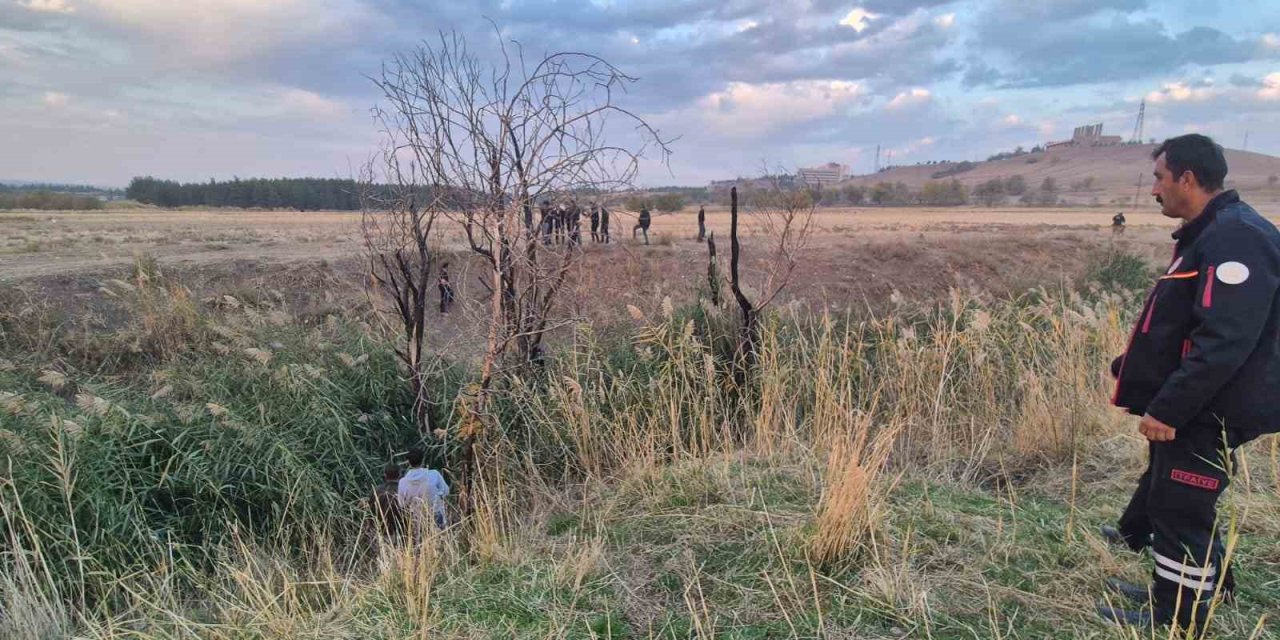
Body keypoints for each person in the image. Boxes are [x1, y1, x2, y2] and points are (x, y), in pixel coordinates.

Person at [1101, 134, 1280, 634]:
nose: (1154, 190)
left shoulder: (1234, 239)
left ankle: (1176, 617)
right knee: (1183, 497)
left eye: (1160, 178)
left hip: (1211, 406)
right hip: (1204, 400)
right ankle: (1202, 585)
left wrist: (1171, 407)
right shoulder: (1211, 233)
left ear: (1187, 178)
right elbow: (1187, 326)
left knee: (1180, 504)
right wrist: (1135, 367)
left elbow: (1224, 341)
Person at [398, 447, 450, 530]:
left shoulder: (403, 482)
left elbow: (402, 504)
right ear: (423, 460)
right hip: (436, 514)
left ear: (409, 462)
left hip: (416, 518)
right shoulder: (434, 475)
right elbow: (446, 491)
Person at [370, 462, 404, 538]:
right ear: (400, 475)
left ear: (385, 475)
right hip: (399, 531)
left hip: (380, 530)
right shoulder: (402, 490)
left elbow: (371, 510)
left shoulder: (376, 490)